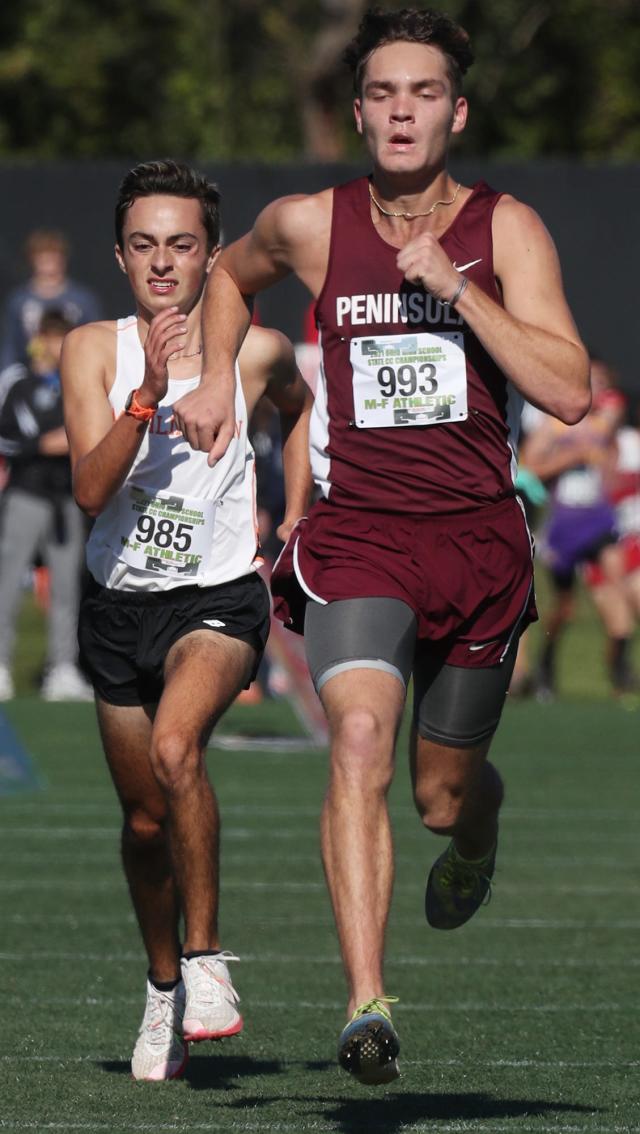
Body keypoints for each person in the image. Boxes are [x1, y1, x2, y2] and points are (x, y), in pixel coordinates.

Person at [172, 8, 590, 1085]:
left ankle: (477, 831)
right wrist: (222, 373)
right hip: (359, 537)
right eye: (383, 94)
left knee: (441, 795)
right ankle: (367, 1002)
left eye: (423, 93)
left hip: (479, 549)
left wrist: (457, 291)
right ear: (356, 112)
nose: (402, 111)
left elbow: (568, 390)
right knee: (357, 739)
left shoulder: (507, 230)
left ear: (457, 109)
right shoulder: (311, 224)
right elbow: (224, 276)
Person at [60, 159, 312, 1081]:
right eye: (144, 245)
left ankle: (207, 963)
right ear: (120, 256)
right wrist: (148, 395)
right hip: (119, 604)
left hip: (216, 598)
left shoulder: (256, 349)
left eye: (182, 244)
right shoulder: (93, 348)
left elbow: (298, 405)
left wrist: (294, 512)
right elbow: (91, 489)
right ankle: (162, 986)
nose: (163, 262)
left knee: (178, 751)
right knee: (141, 824)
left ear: (213, 254)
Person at [520, 357, 629, 699]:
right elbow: (528, 468)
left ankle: (620, 673)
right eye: (591, 381)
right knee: (564, 608)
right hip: (563, 527)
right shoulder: (553, 426)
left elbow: (608, 452)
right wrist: (572, 456)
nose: (598, 389)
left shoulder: (605, 424)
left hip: (598, 521)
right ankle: (545, 668)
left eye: (602, 382)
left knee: (619, 580)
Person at [0, 310, 93, 702]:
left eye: (63, 338)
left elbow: (88, 433)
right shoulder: (19, 382)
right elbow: (15, 439)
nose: (58, 347)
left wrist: (65, 439)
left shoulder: (78, 384)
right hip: (26, 495)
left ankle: (62, 668)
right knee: (8, 582)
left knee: (66, 587)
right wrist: (49, 442)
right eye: (52, 338)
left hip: (66, 498)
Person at [1, 229, 102, 372]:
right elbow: (10, 347)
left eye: (53, 257)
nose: (48, 264)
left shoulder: (82, 300)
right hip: (30, 375)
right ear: (32, 260)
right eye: (42, 258)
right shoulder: (19, 301)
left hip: (73, 371)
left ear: (63, 259)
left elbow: (94, 341)